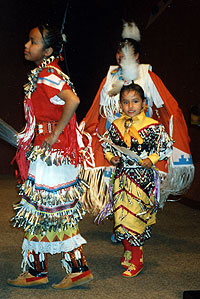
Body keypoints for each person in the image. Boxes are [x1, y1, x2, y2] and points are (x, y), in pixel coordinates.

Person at [7, 24, 93, 289]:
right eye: (28, 40)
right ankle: (50, 269)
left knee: (44, 209)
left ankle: (49, 270)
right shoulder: (44, 73)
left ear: (49, 50)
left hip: (52, 156)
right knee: (45, 211)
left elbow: (73, 100)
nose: (27, 45)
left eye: (33, 41)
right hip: (47, 154)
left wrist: (54, 134)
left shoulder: (48, 74)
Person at [79, 20, 194, 218]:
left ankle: (137, 222)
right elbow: (97, 109)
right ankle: (121, 222)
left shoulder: (147, 76)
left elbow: (167, 105)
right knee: (116, 183)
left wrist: (168, 127)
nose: (121, 56)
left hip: (141, 141)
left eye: (127, 53)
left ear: (137, 56)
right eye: (119, 52)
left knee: (140, 183)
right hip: (115, 138)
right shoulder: (110, 77)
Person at [101, 82, 173, 277]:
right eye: (125, 102)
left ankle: (137, 260)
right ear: (120, 105)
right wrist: (111, 158)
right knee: (121, 216)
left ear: (143, 103)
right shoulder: (116, 125)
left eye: (135, 101)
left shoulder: (152, 126)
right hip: (121, 178)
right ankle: (127, 251)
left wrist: (152, 159)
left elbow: (166, 146)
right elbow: (107, 146)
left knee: (136, 217)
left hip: (142, 178)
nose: (130, 106)